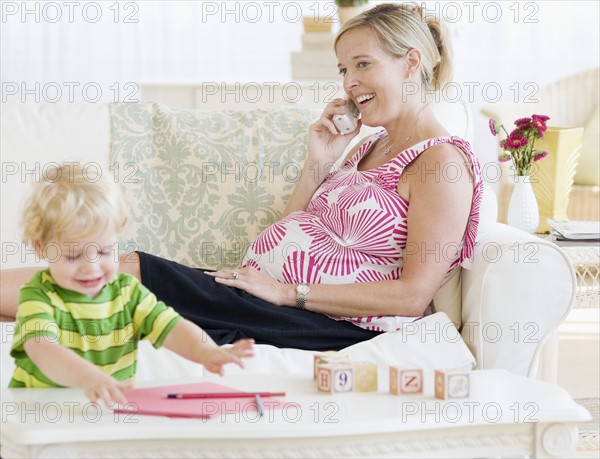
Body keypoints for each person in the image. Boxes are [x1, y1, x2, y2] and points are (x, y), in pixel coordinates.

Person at [1, 3, 482, 351]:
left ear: (411, 63)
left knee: (135, 275)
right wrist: (320, 160)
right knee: (123, 273)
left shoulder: (441, 164)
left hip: (335, 326)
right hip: (264, 296)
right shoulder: (368, 146)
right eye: (343, 69)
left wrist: (287, 293)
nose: (349, 82)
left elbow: (413, 294)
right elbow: (295, 229)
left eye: (363, 64)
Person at [8, 164, 254, 406]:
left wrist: (206, 352)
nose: (91, 267)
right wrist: (90, 379)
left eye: (104, 251)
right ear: (41, 247)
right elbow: (43, 349)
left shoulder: (127, 292)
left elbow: (172, 327)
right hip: (38, 417)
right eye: (74, 256)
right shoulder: (39, 295)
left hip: (104, 412)